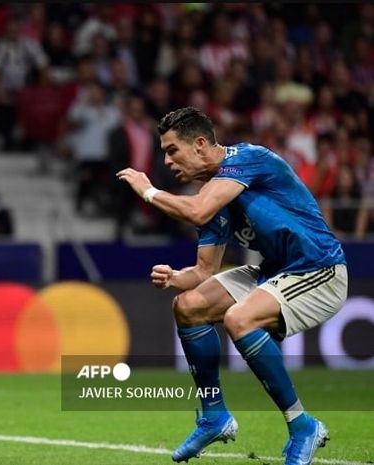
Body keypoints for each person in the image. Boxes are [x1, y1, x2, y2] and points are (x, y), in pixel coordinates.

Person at [117, 107, 347, 465]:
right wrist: (177, 277)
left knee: (241, 319)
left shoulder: (247, 159)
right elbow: (204, 270)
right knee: (188, 306)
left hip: (319, 268)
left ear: (200, 144)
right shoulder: (213, 195)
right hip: (275, 271)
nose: (167, 161)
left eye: (172, 150)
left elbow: (195, 211)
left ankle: (303, 426)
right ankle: (214, 416)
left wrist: (149, 192)